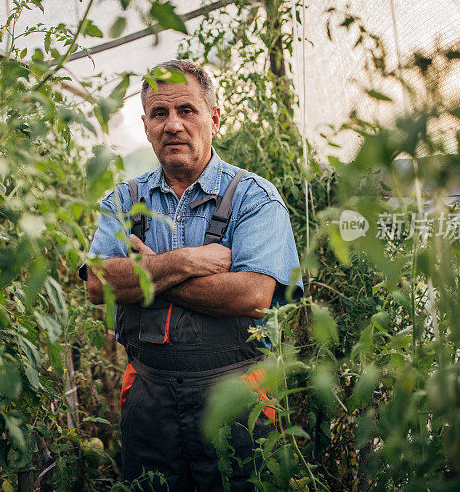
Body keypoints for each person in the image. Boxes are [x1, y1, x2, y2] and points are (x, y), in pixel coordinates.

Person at [81, 60, 304, 490]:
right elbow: (97, 283)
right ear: (146, 126)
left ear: (214, 119)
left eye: (187, 110)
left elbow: (253, 295)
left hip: (238, 398)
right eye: (160, 114)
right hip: (148, 400)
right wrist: (186, 261)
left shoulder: (253, 198)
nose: (173, 125)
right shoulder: (124, 200)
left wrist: (147, 272)